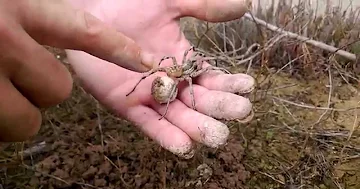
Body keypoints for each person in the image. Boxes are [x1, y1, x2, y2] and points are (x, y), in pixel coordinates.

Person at [0, 0, 255, 158]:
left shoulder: (186, 66)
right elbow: (183, 71)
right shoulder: (175, 69)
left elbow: (191, 60)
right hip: (167, 78)